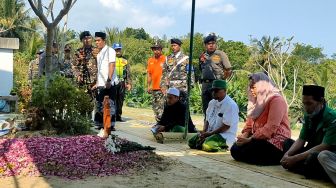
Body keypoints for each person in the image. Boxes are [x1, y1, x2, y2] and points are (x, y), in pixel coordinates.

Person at [230, 72, 291, 165]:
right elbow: (249, 124)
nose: (251, 90)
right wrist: (244, 137)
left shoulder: (276, 100)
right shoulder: (255, 102)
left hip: (276, 141)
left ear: (262, 86)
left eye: (253, 87)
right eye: (250, 87)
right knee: (234, 149)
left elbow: (271, 127)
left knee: (255, 149)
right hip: (257, 139)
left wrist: (250, 140)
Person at [280, 85, 336, 179]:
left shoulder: (332, 118)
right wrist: (288, 154)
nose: (306, 108)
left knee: (314, 158)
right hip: (309, 151)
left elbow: (324, 146)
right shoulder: (308, 115)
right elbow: (301, 139)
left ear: (321, 101)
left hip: (321, 153)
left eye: (309, 104)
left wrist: (295, 158)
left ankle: (302, 168)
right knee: (287, 143)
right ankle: (303, 168)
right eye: (304, 104)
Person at [188, 80, 239, 152]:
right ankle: (205, 141)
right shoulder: (212, 102)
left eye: (216, 90)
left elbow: (226, 126)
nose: (214, 93)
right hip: (210, 133)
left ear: (225, 90)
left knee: (207, 146)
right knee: (191, 142)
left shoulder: (230, 105)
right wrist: (204, 132)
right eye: (213, 90)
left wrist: (210, 134)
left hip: (224, 135)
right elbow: (207, 119)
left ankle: (226, 146)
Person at [199, 34, 232, 117]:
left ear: (216, 44)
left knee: (217, 107)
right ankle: (206, 127)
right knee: (206, 107)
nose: (211, 45)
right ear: (205, 45)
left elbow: (228, 69)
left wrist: (222, 79)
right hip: (205, 85)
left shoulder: (221, 54)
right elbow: (201, 69)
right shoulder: (202, 56)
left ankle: (216, 127)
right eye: (209, 44)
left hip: (217, 84)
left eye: (213, 43)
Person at [93, 31, 117, 131]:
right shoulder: (99, 54)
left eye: (98, 40)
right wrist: (97, 83)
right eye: (96, 41)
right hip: (101, 83)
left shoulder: (110, 51)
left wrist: (109, 80)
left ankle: (110, 124)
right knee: (99, 104)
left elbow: (112, 65)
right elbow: (100, 70)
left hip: (109, 83)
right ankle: (99, 123)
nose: (97, 43)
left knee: (109, 104)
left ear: (104, 41)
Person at [160, 38, 194, 104]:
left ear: (179, 46)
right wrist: (163, 86)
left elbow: (191, 72)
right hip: (171, 86)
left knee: (182, 106)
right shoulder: (168, 58)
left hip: (182, 87)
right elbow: (164, 73)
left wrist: (191, 85)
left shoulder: (186, 58)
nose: (173, 47)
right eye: (172, 45)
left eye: (175, 45)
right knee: (170, 106)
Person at [73, 31, 98, 100]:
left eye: (89, 38)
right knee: (83, 102)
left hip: (96, 81)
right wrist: (78, 75)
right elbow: (74, 66)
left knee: (97, 102)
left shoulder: (97, 50)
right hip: (83, 81)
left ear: (92, 39)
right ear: (81, 40)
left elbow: (103, 65)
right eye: (84, 38)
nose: (87, 40)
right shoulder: (78, 52)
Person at [147, 41, 166, 122]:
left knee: (162, 106)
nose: (156, 51)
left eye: (158, 49)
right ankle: (158, 123)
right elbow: (149, 74)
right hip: (153, 88)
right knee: (155, 107)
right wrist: (148, 86)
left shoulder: (165, 59)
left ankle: (163, 124)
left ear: (161, 49)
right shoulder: (150, 60)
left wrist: (166, 86)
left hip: (162, 88)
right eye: (154, 49)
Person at [113, 43, 132, 122]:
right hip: (113, 82)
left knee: (120, 100)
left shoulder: (124, 60)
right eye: (116, 50)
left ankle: (118, 115)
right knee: (113, 100)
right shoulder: (111, 59)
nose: (118, 51)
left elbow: (128, 72)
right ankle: (112, 115)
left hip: (121, 82)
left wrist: (129, 83)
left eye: (119, 49)